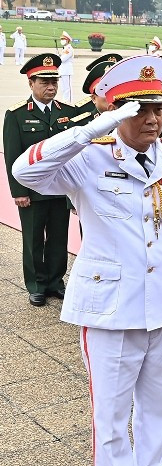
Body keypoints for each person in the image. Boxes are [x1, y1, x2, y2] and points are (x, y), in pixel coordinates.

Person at [12, 55, 162, 466]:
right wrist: (96, 126)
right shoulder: (87, 157)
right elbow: (25, 170)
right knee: (112, 410)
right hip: (109, 306)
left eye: (160, 109)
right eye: (140, 110)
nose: (154, 119)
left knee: (161, 403)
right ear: (117, 113)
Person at [3, 54, 75, 306]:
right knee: (33, 239)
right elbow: (12, 156)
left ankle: (56, 282)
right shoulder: (17, 115)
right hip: (31, 191)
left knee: (59, 237)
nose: (51, 87)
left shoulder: (68, 113)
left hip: (61, 188)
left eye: (54, 81)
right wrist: (18, 191)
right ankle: (36, 285)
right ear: (31, 83)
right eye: (44, 82)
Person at [58, 31, 75, 103]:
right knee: (63, 88)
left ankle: (68, 102)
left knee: (67, 87)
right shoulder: (65, 48)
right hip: (62, 70)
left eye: (63, 39)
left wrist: (58, 57)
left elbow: (63, 59)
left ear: (67, 40)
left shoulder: (69, 49)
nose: (62, 41)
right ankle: (64, 100)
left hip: (67, 70)